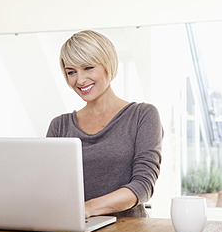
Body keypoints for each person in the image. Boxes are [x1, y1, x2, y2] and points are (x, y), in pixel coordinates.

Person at [46, 30, 163, 218]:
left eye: (88, 68)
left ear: (108, 65)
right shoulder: (59, 126)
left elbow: (143, 186)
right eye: (71, 72)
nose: (80, 80)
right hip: (76, 230)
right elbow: (51, 187)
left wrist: (88, 209)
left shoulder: (142, 115)